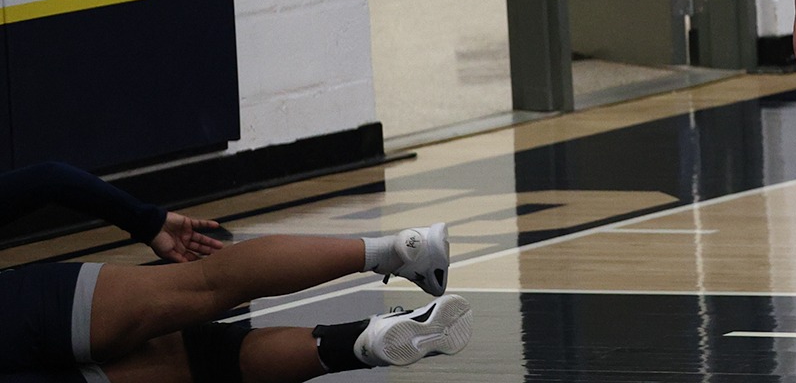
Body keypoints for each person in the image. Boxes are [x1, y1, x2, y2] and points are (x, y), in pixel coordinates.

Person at [0, 161, 470, 383]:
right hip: (22, 311)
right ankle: (399, 250)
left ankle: (365, 343)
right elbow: (48, 180)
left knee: (210, 365)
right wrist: (145, 219)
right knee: (205, 286)